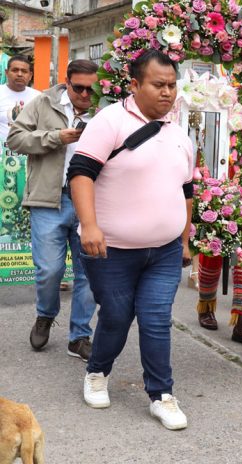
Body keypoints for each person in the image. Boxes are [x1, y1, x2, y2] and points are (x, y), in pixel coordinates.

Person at [67, 50, 193, 430]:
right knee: (118, 317)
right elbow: (81, 172)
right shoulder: (110, 121)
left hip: (165, 251)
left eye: (172, 85)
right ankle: (96, 372)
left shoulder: (177, 130)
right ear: (135, 84)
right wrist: (89, 226)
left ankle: (161, 394)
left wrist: (185, 240)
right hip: (112, 250)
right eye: (159, 85)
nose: (168, 93)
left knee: (156, 320)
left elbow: (186, 189)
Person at [7, 59, 98, 361]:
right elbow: (15, 139)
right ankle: (45, 315)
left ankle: (80, 336)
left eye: (91, 88)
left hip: (92, 203)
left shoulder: (106, 111)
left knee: (89, 272)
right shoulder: (43, 102)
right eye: (79, 88)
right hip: (49, 199)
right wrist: (55, 138)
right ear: (67, 82)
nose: (86, 94)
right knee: (49, 269)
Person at [1, 55, 41, 140]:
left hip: (28, 149)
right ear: (7, 73)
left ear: (30, 76)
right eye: (15, 70)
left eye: (24, 71)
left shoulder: (39, 97)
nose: (19, 74)